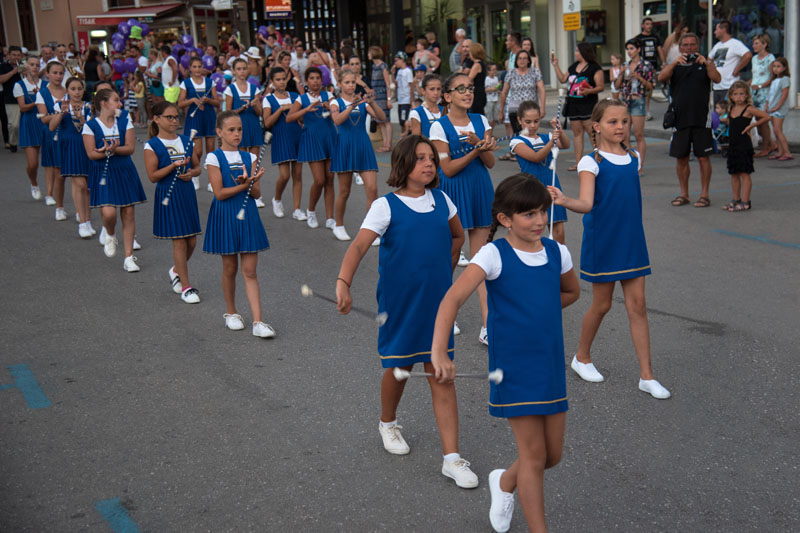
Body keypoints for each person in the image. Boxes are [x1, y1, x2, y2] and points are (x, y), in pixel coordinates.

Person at [430, 174, 579, 532]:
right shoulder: (493, 254)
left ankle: (504, 482)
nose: (540, 221)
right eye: (529, 214)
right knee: (533, 455)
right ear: (505, 219)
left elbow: (571, 292)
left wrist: (536, 311)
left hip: (549, 367)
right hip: (512, 368)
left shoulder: (557, 252)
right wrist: (439, 351)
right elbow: (452, 298)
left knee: (552, 456)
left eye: (543, 211)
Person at [335, 135, 477, 488]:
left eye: (431, 158)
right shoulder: (386, 206)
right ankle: (387, 422)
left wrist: (446, 269)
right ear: (402, 165)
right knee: (399, 366)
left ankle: (452, 458)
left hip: (438, 305)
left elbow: (457, 238)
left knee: (441, 374)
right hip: (400, 305)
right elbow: (358, 246)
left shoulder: (443, 201)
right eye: (419, 159)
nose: (428, 164)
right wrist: (343, 283)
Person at [549, 99, 671, 400]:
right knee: (602, 305)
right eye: (613, 122)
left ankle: (647, 375)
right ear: (597, 126)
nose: (620, 127)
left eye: (625, 121)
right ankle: (582, 357)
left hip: (632, 241)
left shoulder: (633, 157)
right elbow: (587, 204)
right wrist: (564, 201)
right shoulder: (592, 161)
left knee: (638, 307)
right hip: (604, 241)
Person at [430, 72, 497, 345]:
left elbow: (490, 162)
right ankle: (446, 314)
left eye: (469, 88)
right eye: (460, 89)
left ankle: (487, 326)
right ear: (447, 97)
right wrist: (474, 149)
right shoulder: (438, 127)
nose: (468, 93)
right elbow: (447, 169)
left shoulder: (481, 121)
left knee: (482, 261)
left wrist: (482, 145)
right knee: (451, 257)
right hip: (453, 192)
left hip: (480, 189)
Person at [203, 111, 275, 338]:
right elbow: (220, 193)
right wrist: (243, 185)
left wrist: (251, 182)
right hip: (226, 213)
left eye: (239, 129)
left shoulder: (250, 158)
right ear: (219, 132)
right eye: (231, 130)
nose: (236, 134)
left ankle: (258, 321)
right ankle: (231, 312)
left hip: (248, 215)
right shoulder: (214, 158)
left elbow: (256, 193)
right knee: (230, 268)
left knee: (250, 270)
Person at [144, 101, 203, 303]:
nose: (174, 120)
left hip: (186, 192)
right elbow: (153, 176)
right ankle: (186, 287)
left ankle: (176, 270)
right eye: (169, 117)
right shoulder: (151, 145)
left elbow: (197, 167)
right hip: (168, 194)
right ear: (157, 119)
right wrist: (172, 166)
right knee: (179, 240)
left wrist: (191, 173)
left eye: (176, 116)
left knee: (192, 241)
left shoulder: (186, 140)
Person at [82, 88, 147, 271]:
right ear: (104, 103)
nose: (120, 104)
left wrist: (115, 150)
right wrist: (103, 152)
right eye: (116, 100)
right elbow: (91, 154)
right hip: (103, 171)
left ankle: (128, 257)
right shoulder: (91, 125)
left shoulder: (124, 120)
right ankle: (110, 233)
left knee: (128, 212)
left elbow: (130, 148)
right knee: (109, 213)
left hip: (124, 169)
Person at [658, 32, 721, 208]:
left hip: (701, 118)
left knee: (703, 158)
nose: (689, 48)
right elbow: (661, 77)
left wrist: (707, 64)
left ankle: (704, 194)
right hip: (679, 119)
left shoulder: (705, 63)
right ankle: (684, 194)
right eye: (685, 45)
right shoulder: (675, 65)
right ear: (680, 48)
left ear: (698, 46)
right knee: (681, 158)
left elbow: (717, 78)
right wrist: (674, 63)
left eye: (692, 45)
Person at [330, 68, 386, 242]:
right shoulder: (335, 102)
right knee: (345, 191)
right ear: (339, 84)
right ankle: (338, 225)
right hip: (345, 145)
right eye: (347, 82)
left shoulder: (363, 102)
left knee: (372, 188)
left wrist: (372, 102)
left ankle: (371, 229)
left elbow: (382, 117)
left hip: (362, 145)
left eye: (353, 82)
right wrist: (352, 105)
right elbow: (338, 121)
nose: (350, 85)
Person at [509, 100, 570, 244]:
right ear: (519, 120)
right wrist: (551, 142)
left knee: (558, 231)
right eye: (528, 121)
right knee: (533, 229)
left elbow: (566, 144)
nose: (532, 126)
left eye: (536, 121)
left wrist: (559, 132)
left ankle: (559, 261)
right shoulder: (516, 141)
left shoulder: (545, 136)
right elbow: (536, 157)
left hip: (551, 183)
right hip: (531, 187)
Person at [286, 66, 336, 230]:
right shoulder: (301, 99)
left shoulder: (328, 95)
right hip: (312, 140)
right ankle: (311, 210)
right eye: (312, 78)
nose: (315, 81)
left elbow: (337, 112)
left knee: (330, 180)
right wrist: (305, 110)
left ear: (322, 81)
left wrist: (331, 108)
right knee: (319, 180)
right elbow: (289, 118)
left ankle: (330, 218)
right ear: (307, 81)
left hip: (329, 138)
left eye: (318, 78)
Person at [550, 43, 604, 171]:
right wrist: (555, 65)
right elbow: (563, 79)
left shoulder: (594, 68)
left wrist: (589, 91)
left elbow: (600, 86)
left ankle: (599, 158)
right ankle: (578, 162)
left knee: (592, 133)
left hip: (588, 105)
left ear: (584, 52)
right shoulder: (574, 66)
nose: (575, 53)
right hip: (573, 105)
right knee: (577, 134)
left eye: (577, 51)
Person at [52, 77, 93, 238]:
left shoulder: (89, 107)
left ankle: (87, 220)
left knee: (88, 186)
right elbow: (52, 126)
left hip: (86, 146)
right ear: (67, 90)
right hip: (70, 147)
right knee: (79, 184)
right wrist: (62, 113)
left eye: (79, 89)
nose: (76, 92)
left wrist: (80, 116)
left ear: (83, 90)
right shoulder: (60, 105)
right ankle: (82, 222)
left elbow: (90, 127)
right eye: (73, 89)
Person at [262, 67, 304, 220]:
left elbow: (301, 117)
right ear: (272, 82)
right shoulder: (268, 99)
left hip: (296, 136)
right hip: (281, 137)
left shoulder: (295, 96)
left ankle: (297, 209)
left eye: (283, 79)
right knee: (285, 175)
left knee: (298, 175)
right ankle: (277, 199)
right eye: (278, 80)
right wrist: (280, 110)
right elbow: (267, 123)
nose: (281, 82)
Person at [721, 81, 769, 213]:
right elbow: (732, 123)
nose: (739, 97)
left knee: (744, 173)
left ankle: (745, 201)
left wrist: (751, 126)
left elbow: (766, 116)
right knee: (734, 173)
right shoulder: (731, 109)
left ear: (747, 95)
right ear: (731, 96)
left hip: (744, 144)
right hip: (733, 144)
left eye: (742, 94)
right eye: (735, 94)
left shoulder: (748, 109)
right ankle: (736, 199)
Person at [178, 56, 220, 191]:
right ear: (190, 68)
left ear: (203, 68)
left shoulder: (210, 82)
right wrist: (192, 101)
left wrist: (208, 100)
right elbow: (180, 103)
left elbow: (217, 102)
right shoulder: (186, 83)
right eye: (194, 67)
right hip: (194, 117)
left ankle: (211, 181)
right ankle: (195, 174)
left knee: (211, 150)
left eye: (199, 66)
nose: (197, 69)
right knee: (197, 150)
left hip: (208, 116)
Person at [499, 50, 545, 161]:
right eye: (520, 58)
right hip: (515, 109)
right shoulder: (511, 73)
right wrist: (501, 110)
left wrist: (542, 107)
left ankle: (531, 155)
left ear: (529, 60)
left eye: (525, 58)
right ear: (516, 60)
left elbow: (542, 89)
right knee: (519, 134)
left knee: (531, 131)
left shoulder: (534, 72)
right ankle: (520, 155)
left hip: (531, 109)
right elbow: (504, 92)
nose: (522, 61)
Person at [615, 38, 655, 168]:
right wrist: (621, 74)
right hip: (625, 101)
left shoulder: (646, 65)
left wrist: (639, 78)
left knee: (638, 134)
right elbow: (616, 86)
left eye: (632, 49)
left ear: (638, 49)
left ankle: (640, 165)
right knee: (625, 135)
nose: (629, 52)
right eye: (627, 49)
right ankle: (629, 163)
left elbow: (651, 86)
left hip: (638, 100)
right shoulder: (625, 65)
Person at [36, 61, 66, 217]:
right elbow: (43, 118)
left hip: (67, 132)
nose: (58, 76)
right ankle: (49, 193)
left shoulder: (68, 91)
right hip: (51, 132)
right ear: (47, 74)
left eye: (61, 73)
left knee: (64, 168)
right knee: (52, 165)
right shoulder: (42, 93)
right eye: (54, 72)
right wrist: (60, 113)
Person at [13, 54, 45, 200]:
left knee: (52, 162)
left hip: (44, 121)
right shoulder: (20, 85)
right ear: (26, 67)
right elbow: (23, 107)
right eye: (32, 64)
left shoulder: (45, 84)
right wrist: (37, 100)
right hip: (29, 122)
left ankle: (51, 191)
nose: (35, 67)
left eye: (37, 65)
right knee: (32, 164)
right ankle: (34, 183)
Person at [224, 58, 263, 156]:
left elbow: (260, 113)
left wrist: (254, 105)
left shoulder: (254, 88)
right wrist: (241, 108)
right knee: (243, 161)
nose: (242, 71)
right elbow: (228, 113)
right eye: (239, 69)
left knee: (254, 160)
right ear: (233, 71)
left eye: (244, 69)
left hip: (253, 124)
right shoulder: (230, 89)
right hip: (239, 127)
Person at [709, 20, 752, 105]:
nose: (714, 32)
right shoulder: (717, 45)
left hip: (729, 86)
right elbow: (709, 60)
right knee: (716, 115)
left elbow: (748, 55)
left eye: (716, 29)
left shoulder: (735, 43)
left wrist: (737, 69)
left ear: (723, 29)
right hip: (717, 86)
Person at [749, 34, 776, 158]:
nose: (754, 46)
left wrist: (761, 86)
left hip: (764, 93)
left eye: (757, 43)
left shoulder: (770, 58)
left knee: (763, 121)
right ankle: (771, 143)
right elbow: (754, 76)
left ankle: (765, 148)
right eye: (754, 43)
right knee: (757, 121)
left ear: (764, 44)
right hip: (753, 92)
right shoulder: (754, 59)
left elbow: (772, 77)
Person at [634, 17, 665, 120]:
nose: (649, 26)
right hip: (641, 66)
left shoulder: (655, 38)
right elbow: (634, 52)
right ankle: (642, 109)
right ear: (643, 25)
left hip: (652, 65)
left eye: (651, 24)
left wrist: (663, 62)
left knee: (650, 88)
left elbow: (660, 50)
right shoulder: (638, 38)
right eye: (647, 24)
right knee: (641, 88)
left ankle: (647, 110)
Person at [765, 58, 792, 161]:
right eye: (774, 66)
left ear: (784, 68)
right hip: (772, 108)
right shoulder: (774, 80)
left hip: (778, 109)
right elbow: (770, 95)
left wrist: (777, 107)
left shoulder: (785, 79)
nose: (775, 69)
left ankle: (787, 152)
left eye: (778, 66)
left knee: (778, 130)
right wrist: (767, 106)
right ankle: (780, 152)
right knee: (776, 131)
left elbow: (784, 95)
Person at [369, 46, 393, 152]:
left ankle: (388, 144)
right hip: (376, 97)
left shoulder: (383, 66)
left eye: (369, 53)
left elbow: (388, 83)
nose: (368, 55)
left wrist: (388, 98)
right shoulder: (374, 66)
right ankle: (385, 143)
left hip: (383, 96)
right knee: (380, 121)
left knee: (386, 120)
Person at [1, 46, 24, 153]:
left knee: (26, 122)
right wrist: (13, 72)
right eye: (14, 55)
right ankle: (13, 142)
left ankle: (27, 142)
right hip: (11, 98)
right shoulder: (3, 66)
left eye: (18, 55)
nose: (16, 57)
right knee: (14, 125)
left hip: (25, 98)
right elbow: (1, 79)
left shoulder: (24, 66)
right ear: (9, 55)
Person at [461, 42, 487, 115]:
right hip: (480, 92)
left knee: (476, 114)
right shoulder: (481, 63)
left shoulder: (477, 65)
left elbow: (469, 79)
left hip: (477, 93)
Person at [393, 52, 414, 136]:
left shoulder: (408, 71)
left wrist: (411, 100)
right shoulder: (399, 72)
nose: (395, 63)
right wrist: (392, 73)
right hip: (400, 99)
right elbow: (396, 84)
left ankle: (406, 136)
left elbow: (411, 86)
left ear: (402, 60)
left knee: (404, 120)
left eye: (397, 60)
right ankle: (404, 136)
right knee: (401, 121)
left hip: (406, 99)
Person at [484, 63, 501, 127]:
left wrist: (498, 89)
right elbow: (484, 90)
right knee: (489, 118)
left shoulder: (496, 78)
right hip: (489, 100)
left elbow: (496, 88)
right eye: (493, 70)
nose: (495, 71)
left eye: (495, 69)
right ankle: (488, 133)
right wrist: (491, 89)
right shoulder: (487, 79)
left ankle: (491, 133)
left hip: (495, 99)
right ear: (488, 71)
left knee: (495, 118)